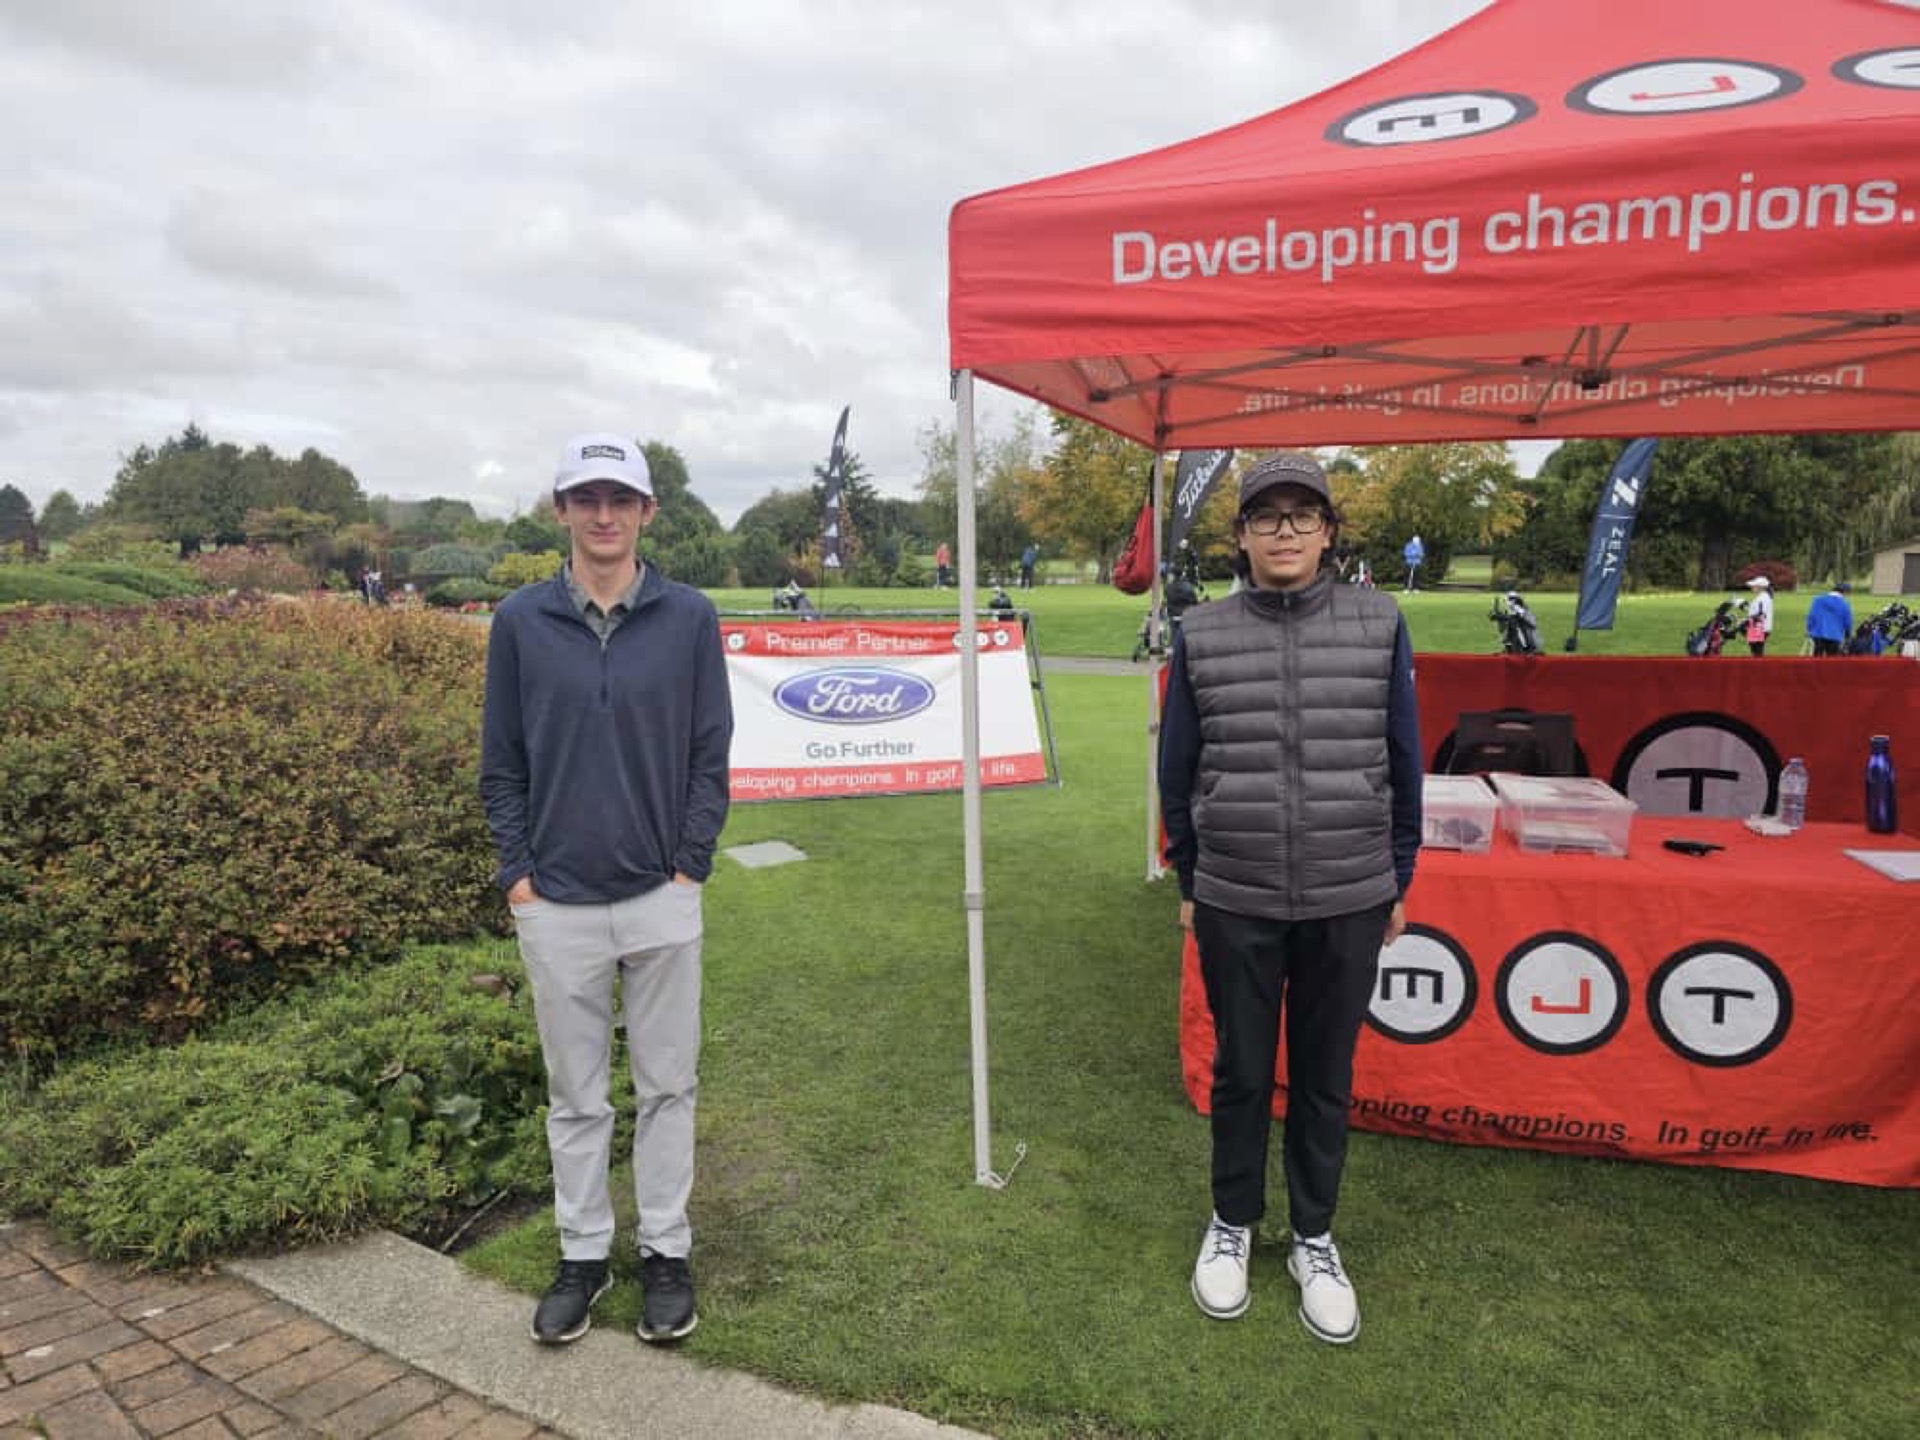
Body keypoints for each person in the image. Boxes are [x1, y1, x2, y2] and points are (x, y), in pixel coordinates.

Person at [1159, 451, 1420, 1347]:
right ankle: (1232, 1221)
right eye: (1266, 517)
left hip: (1349, 891)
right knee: (1240, 1071)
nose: (1285, 532)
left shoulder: (1380, 622)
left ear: (1328, 532)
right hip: (1236, 892)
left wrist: (1399, 875)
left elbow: (1403, 757)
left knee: (1323, 1077)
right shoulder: (1202, 632)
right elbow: (1178, 769)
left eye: (1302, 515)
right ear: (1240, 535)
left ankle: (1314, 1237)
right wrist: (1191, 880)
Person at [480, 433, 733, 1348]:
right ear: (560, 510)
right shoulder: (519, 621)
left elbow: (710, 753)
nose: (602, 515)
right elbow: (502, 764)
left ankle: (665, 1249)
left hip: (661, 893)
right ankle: (583, 1255)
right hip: (556, 903)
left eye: (619, 499)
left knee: (668, 1086)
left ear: (646, 512)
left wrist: (689, 861)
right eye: (585, 498)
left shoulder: (690, 617)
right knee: (577, 1097)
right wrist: (519, 878)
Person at [1806, 581, 1854, 657]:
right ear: (1845, 592)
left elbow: (1812, 616)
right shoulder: (1845, 604)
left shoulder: (1818, 600)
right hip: (1835, 635)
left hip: (1818, 633)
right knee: (1831, 659)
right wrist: (1847, 635)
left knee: (1817, 658)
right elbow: (1848, 622)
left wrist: (1809, 629)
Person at [1742, 575, 1775, 656]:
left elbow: (1760, 614)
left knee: (1757, 652)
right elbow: (1755, 610)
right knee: (1756, 651)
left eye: (1754, 586)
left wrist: (1746, 621)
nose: (1752, 587)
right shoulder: (1761, 597)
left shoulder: (1763, 598)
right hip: (1758, 627)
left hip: (1759, 628)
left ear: (1760, 587)